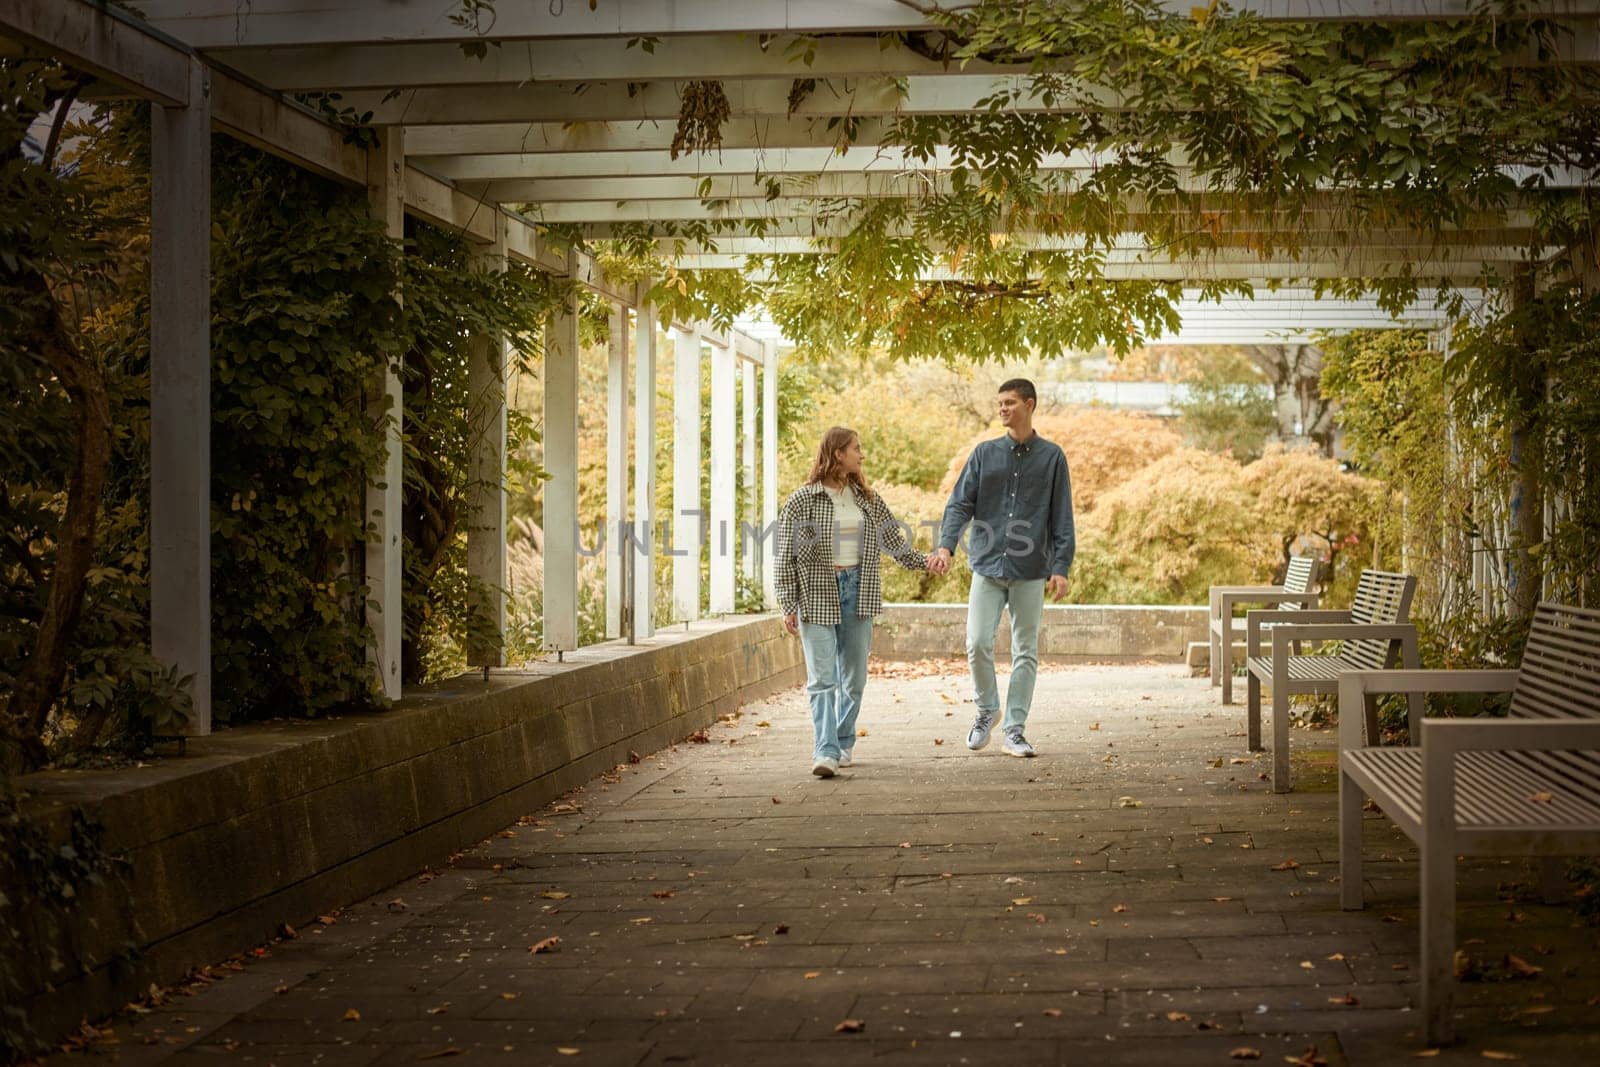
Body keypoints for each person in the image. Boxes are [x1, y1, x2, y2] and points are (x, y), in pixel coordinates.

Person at [931, 378, 1075, 758]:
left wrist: (1061, 565)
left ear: (1030, 404)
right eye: (1000, 403)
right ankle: (986, 709)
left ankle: (1014, 728)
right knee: (977, 642)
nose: (1003, 409)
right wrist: (946, 546)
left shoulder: (1052, 457)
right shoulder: (983, 454)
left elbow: (1062, 516)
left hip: (1031, 569)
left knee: (1025, 649)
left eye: (1010, 402)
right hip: (987, 565)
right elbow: (959, 504)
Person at [776, 427, 931, 779]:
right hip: (816, 592)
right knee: (822, 679)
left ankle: (843, 739)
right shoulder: (803, 500)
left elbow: (894, 541)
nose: (861, 455)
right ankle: (825, 750)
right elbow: (786, 556)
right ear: (837, 453)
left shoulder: (867, 498)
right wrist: (787, 603)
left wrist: (925, 561)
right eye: (856, 449)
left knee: (854, 679)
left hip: (858, 590)